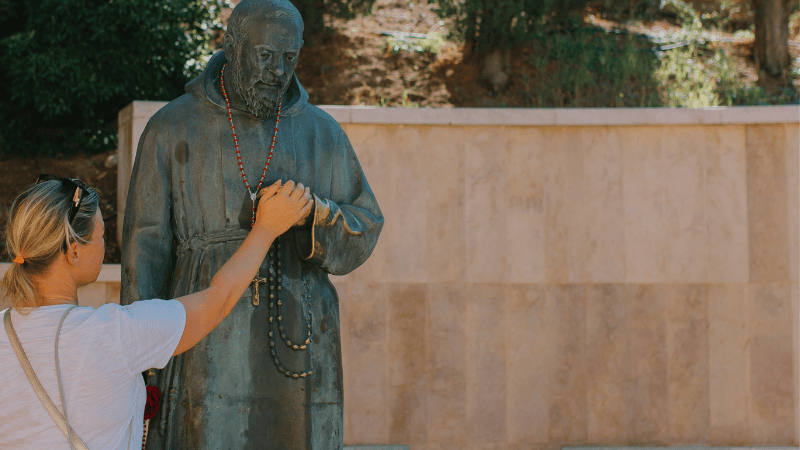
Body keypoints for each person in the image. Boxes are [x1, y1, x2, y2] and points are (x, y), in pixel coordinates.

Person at [120, 0, 383, 448]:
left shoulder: (323, 132)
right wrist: (137, 354)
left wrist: (313, 214)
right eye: (264, 55)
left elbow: (365, 225)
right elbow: (145, 246)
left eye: (289, 58)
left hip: (301, 341)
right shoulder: (171, 127)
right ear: (233, 45)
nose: (277, 71)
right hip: (204, 336)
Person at [0, 175, 312, 449]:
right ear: (74, 250)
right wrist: (267, 229)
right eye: (101, 236)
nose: (104, 246)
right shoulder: (115, 334)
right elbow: (217, 301)